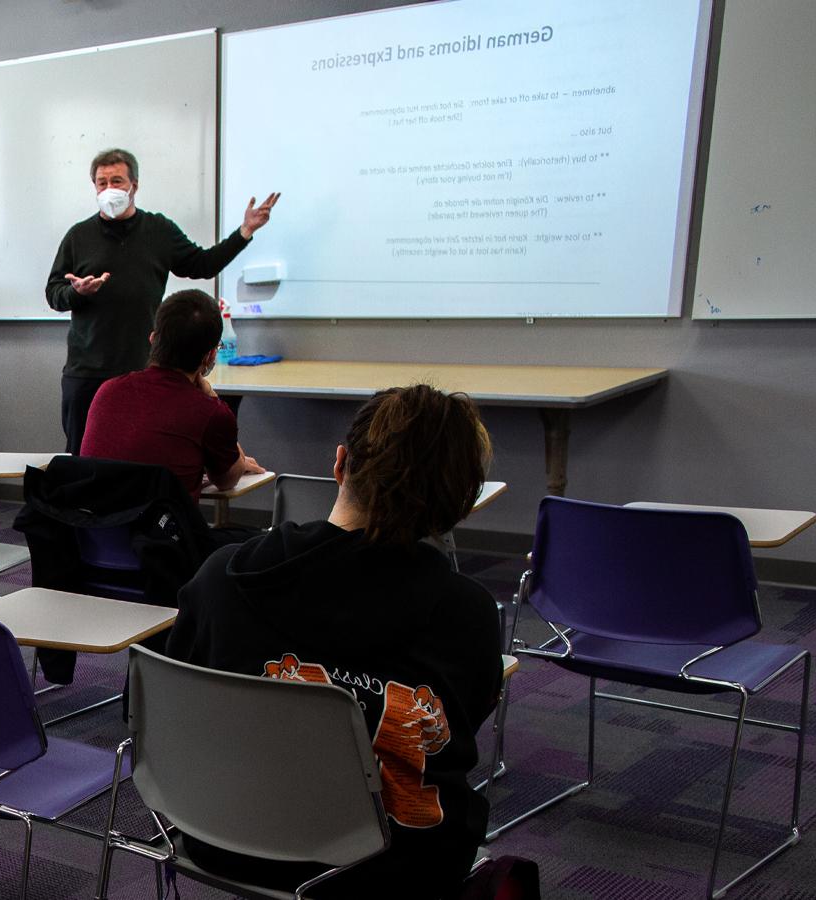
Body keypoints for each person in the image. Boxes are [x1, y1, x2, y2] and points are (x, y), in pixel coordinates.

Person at [162, 385, 504, 898]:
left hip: (222, 836)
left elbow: (169, 710)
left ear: (340, 463)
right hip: (388, 866)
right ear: (460, 505)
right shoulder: (468, 615)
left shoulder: (220, 578)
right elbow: (460, 730)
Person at [45, 147, 279, 454]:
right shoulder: (79, 236)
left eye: (116, 180)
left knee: (139, 452)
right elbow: (54, 293)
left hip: (142, 369)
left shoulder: (158, 230)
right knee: (82, 453)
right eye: (101, 183)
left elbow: (203, 264)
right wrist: (78, 292)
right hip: (87, 371)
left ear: (134, 186)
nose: (108, 189)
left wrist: (245, 231)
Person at [78, 289, 265, 499]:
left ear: (153, 339)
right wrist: (212, 397)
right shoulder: (209, 412)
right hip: (160, 530)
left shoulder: (107, 391)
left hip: (92, 528)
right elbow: (226, 480)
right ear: (210, 354)